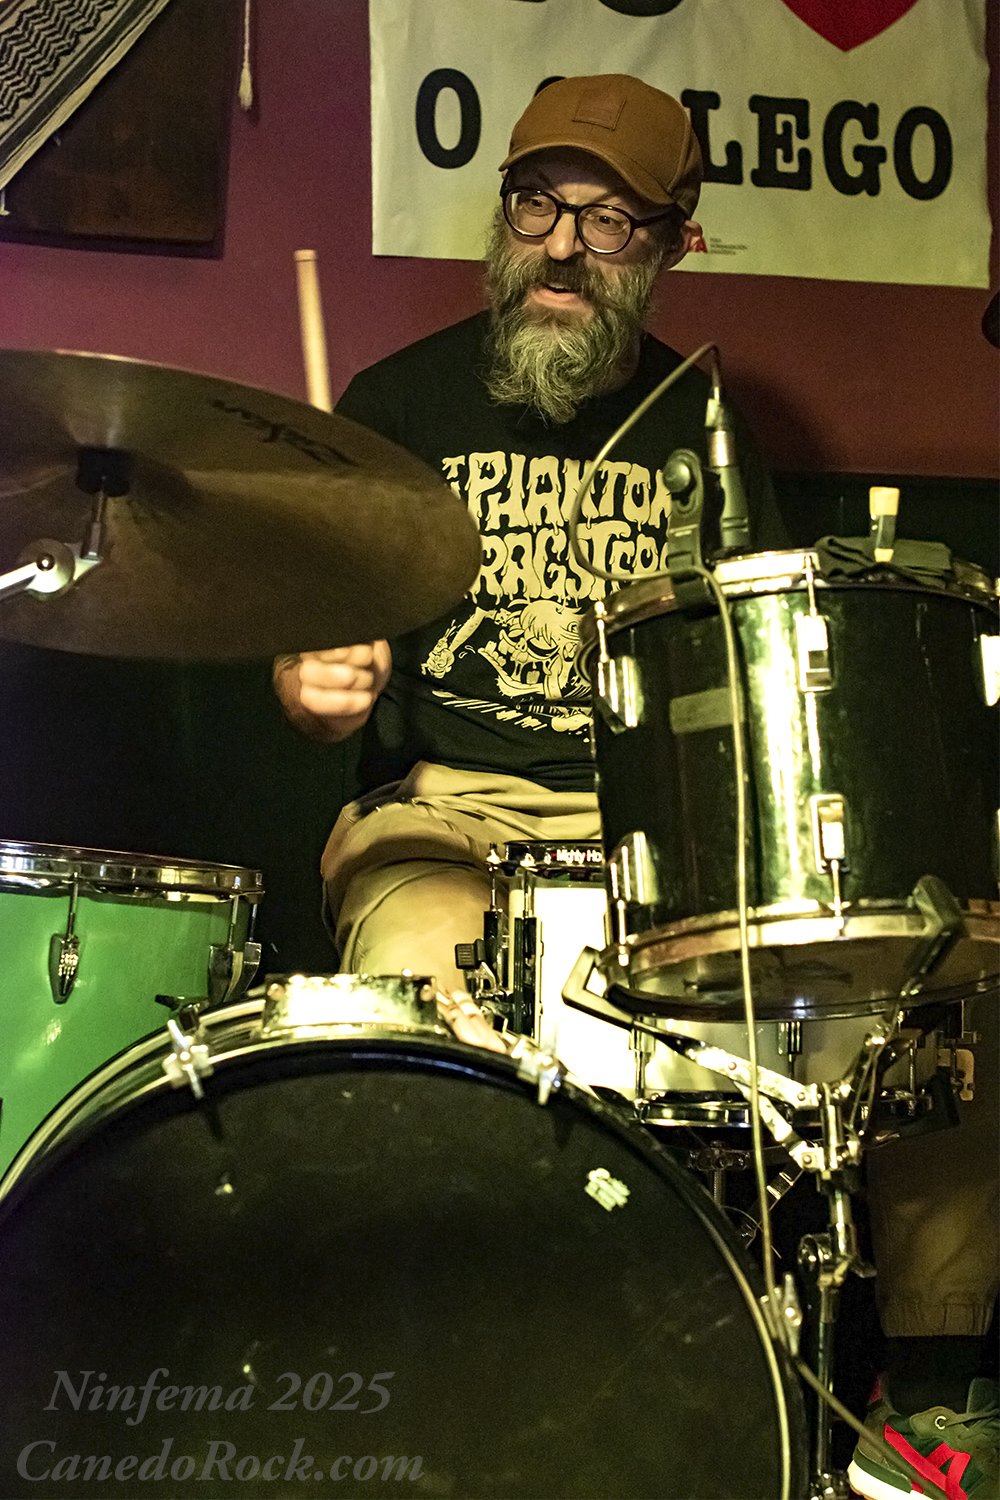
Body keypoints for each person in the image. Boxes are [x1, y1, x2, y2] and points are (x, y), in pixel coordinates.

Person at [274, 73, 998, 1500]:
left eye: (607, 220)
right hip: (449, 807)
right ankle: (447, 1376)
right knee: (420, 954)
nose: (562, 245)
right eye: (537, 205)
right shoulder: (395, 406)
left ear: (669, 243)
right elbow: (310, 664)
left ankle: (931, 1393)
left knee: (933, 977)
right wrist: (309, 687)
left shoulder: (700, 416)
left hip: (657, 836)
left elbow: (761, 671)